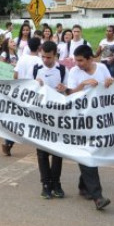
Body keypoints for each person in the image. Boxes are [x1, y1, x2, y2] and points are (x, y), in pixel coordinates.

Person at [65, 45, 113, 210]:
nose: (77, 63)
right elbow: (70, 94)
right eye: (76, 60)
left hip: (98, 119)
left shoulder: (102, 68)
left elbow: (111, 87)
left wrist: (109, 82)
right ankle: (97, 196)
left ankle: (84, 186)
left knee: (93, 153)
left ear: (90, 59)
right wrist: (83, 84)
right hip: (81, 120)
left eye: (80, 60)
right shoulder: (74, 72)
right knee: (87, 154)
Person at [33, 41, 67, 199]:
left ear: (55, 55)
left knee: (57, 151)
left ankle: (56, 182)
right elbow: (28, 90)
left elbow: (69, 90)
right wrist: (36, 85)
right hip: (41, 115)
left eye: (49, 57)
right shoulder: (36, 69)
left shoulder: (62, 69)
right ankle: (45, 184)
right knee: (42, 152)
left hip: (57, 115)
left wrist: (63, 89)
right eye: (43, 57)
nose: (46, 60)